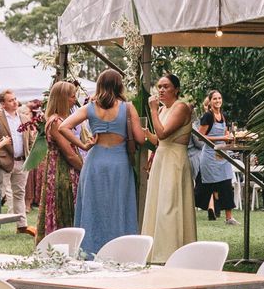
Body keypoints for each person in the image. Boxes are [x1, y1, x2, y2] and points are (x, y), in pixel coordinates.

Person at [63, 69, 142, 256]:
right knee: (119, 207)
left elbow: (62, 126)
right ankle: (121, 252)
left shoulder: (90, 108)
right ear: (119, 85)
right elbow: (138, 138)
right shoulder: (128, 107)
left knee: (93, 207)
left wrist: (83, 144)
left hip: (95, 161)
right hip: (119, 162)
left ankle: (89, 252)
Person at [141, 70, 197, 262]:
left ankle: (171, 252)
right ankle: (155, 251)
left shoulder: (181, 108)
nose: (162, 90)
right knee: (158, 203)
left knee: (170, 205)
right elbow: (158, 139)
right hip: (162, 158)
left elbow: (164, 134)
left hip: (174, 160)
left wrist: (153, 111)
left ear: (176, 89)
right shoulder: (164, 109)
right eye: (159, 87)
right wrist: (147, 134)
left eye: (166, 87)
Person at [33, 79, 84, 240]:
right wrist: (84, 169)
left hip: (61, 169)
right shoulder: (56, 122)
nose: (74, 100)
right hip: (62, 171)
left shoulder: (61, 119)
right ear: (62, 98)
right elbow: (68, 153)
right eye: (72, 96)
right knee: (63, 206)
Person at [193, 89, 237, 224]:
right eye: (215, 99)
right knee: (203, 189)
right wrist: (222, 137)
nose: (218, 101)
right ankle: (186, 212)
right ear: (210, 101)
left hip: (222, 156)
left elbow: (225, 133)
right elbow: (200, 137)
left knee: (227, 185)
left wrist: (228, 139)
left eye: (219, 98)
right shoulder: (207, 116)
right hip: (210, 157)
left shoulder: (223, 116)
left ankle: (229, 218)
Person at [0, 89, 30, 233]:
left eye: (15, 99)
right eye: (10, 100)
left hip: (22, 161)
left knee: (20, 193)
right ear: (3, 104)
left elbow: (29, 139)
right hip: (5, 162)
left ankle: (22, 225)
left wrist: (29, 154)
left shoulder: (24, 118)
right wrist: (0, 158)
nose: (15, 102)